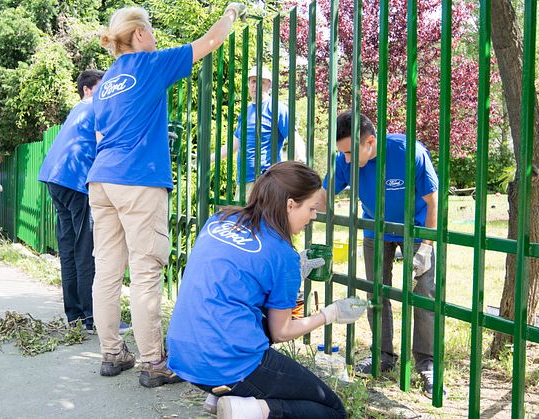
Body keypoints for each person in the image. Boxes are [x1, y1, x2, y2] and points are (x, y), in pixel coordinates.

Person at [87, 3, 248, 387]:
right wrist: (231, 12)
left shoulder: (106, 82)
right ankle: (154, 363)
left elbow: (98, 136)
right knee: (145, 271)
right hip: (138, 180)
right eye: (152, 30)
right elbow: (211, 40)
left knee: (107, 270)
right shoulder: (151, 63)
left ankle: (112, 353)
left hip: (101, 180)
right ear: (139, 34)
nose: (155, 36)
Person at [167, 161, 366, 419]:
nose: (314, 217)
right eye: (311, 208)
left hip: (184, 351)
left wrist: (293, 270)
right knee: (332, 410)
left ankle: (218, 395)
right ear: (290, 204)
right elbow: (281, 332)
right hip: (226, 363)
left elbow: (234, 277)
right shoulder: (283, 255)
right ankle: (245, 408)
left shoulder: (222, 219)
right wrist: (330, 314)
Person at [320, 111, 442, 398]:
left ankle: (426, 362)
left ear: (370, 141)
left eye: (350, 151)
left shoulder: (408, 151)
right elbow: (324, 193)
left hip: (416, 227)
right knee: (376, 292)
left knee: (423, 292)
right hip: (375, 228)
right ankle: (383, 355)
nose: (346, 160)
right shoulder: (346, 159)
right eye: (342, 153)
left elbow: (433, 201)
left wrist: (426, 247)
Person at [38, 69, 130, 335]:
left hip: (54, 177)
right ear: (88, 89)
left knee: (68, 248)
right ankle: (93, 317)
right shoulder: (98, 106)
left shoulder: (78, 109)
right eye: (103, 87)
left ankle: (75, 316)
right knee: (86, 248)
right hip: (76, 181)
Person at [213, 65, 306, 199]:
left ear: (269, 85)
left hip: (266, 180)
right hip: (243, 181)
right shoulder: (245, 112)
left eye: (261, 82)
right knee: (242, 219)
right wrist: (209, 159)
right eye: (253, 81)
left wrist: (301, 159)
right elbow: (234, 145)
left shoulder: (278, 109)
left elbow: (294, 137)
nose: (255, 86)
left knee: (262, 219)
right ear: (249, 84)